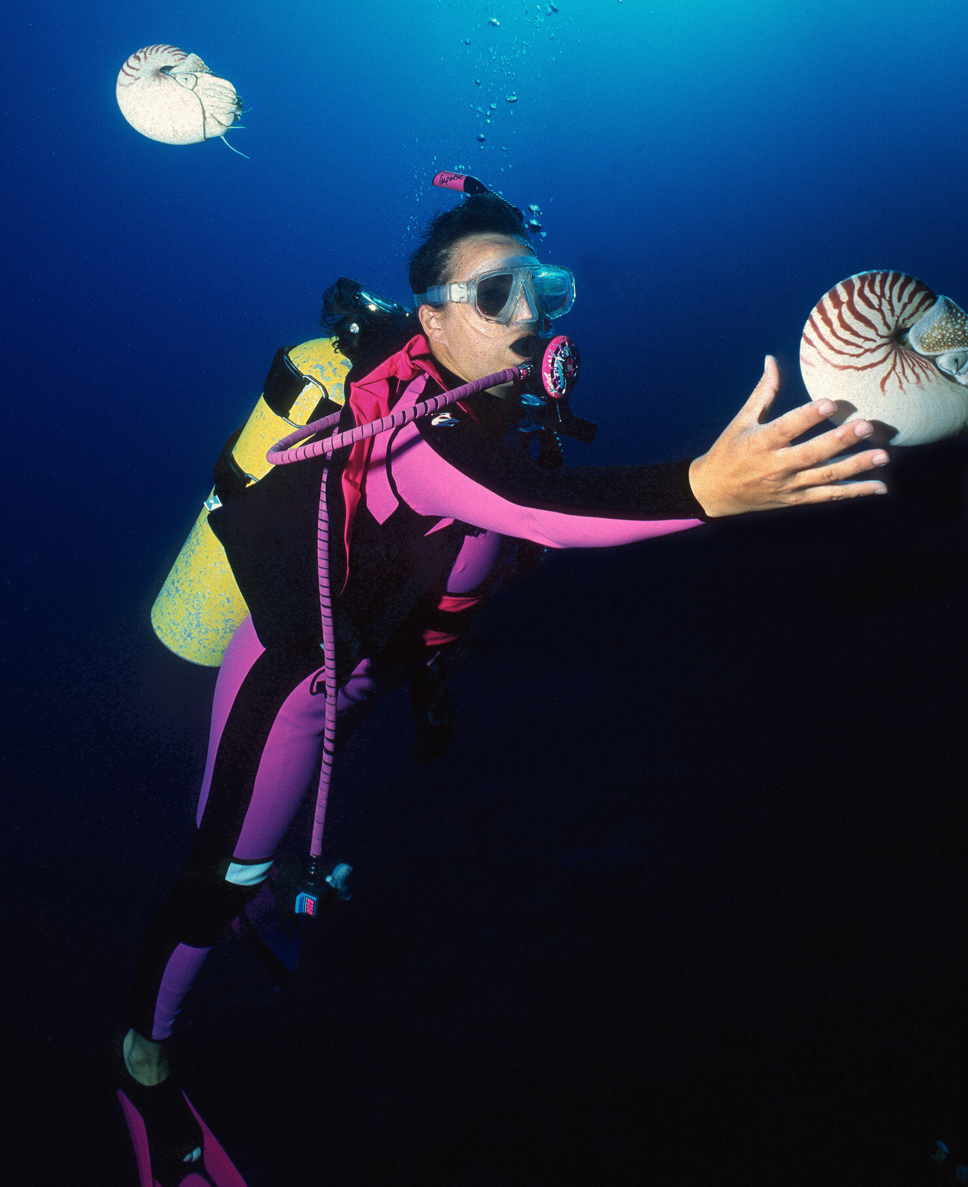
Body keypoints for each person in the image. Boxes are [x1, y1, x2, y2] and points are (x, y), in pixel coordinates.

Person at [118, 186, 890, 1181]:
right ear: (430, 318)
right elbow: (534, 508)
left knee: (256, 851)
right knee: (220, 874)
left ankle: (265, 889)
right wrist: (707, 488)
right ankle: (141, 1052)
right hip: (294, 686)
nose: (529, 318)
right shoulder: (418, 431)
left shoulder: (489, 408)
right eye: (495, 295)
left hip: (363, 679)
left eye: (543, 291)